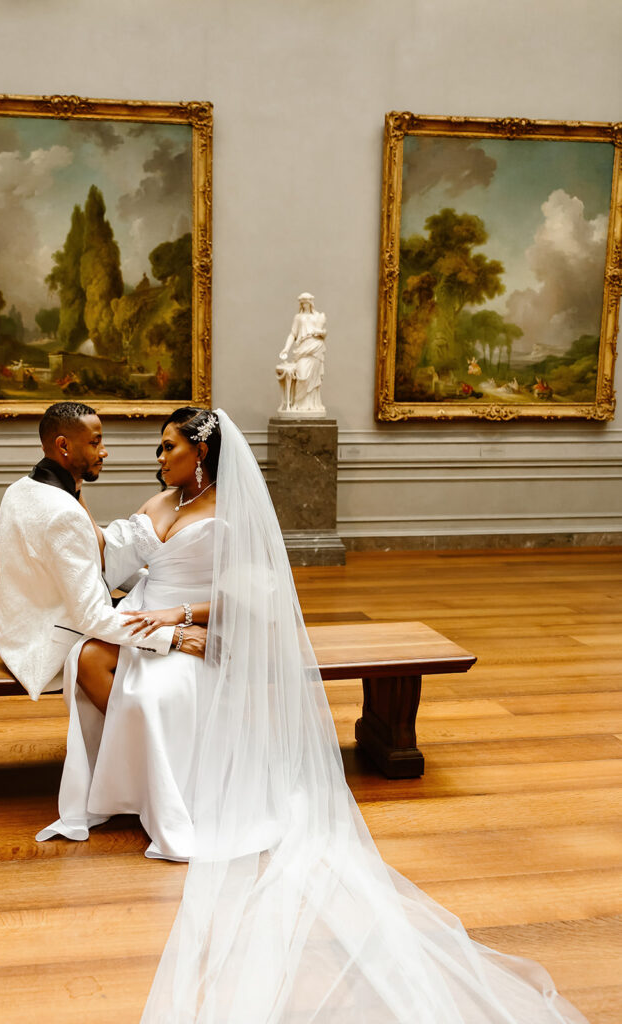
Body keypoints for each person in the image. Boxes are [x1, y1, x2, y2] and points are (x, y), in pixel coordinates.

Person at [48, 406, 587, 1023]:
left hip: (201, 631)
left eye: (170, 447)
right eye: (160, 447)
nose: (160, 457)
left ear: (201, 452)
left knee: (153, 693)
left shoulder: (234, 511)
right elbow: (114, 562)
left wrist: (184, 618)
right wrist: (71, 508)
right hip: (144, 616)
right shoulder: (161, 501)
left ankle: (176, 794)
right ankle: (139, 781)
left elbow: (255, 594)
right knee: (85, 660)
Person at [0, 400, 206, 709]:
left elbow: (90, 560)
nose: (104, 452)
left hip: (16, 632)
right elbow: (91, 617)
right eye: (95, 442)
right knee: (174, 650)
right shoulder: (64, 512)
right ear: (63, 446)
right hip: (46, 647)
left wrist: (157, 580)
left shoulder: (21, 489)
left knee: (155, 609)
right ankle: (149, 725)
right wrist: (176, 637)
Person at [278, 291, 328, 413]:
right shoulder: (298, 317)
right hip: (303, 348)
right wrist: (286, 348)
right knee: (303, 376)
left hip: (316, 347)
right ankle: (298, 404)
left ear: (311, 303)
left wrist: (322, 333)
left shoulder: (318, 316)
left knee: (314, 379)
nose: (305, 304)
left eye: (307, 302)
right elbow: (293, 334)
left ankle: (312, 405)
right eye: (303, 302)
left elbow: (323, 332)